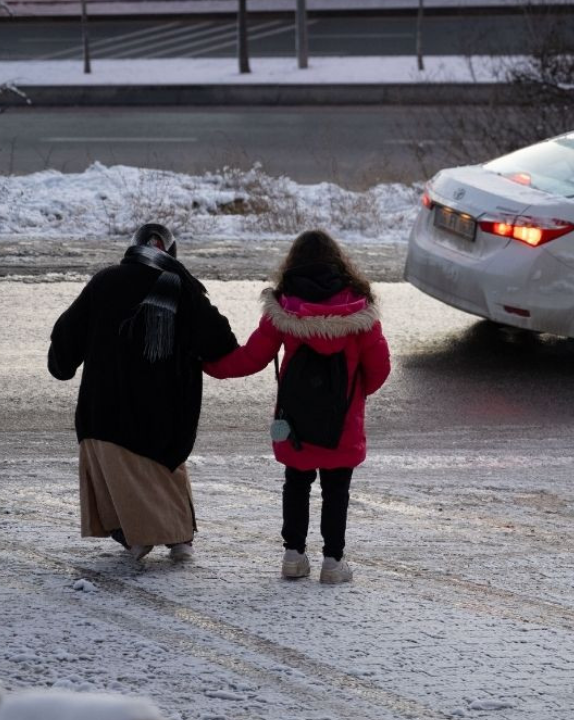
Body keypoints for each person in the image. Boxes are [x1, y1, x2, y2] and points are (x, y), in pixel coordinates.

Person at [205, 229, 391, 584]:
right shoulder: (360, 312)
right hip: (343, 422)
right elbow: (380, 369)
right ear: (340, 264)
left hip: (295, 419)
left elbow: (251, 358)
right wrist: (356, 396)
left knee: (296, 483)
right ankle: (333, 563)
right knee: (337, 490)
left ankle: (293, 556)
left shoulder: (284, 309)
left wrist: (207, 364)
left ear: (294, 263)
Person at [48, 223, 238, 562]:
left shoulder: (105, 282)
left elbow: (65, 339)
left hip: (105, 414)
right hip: (164, 420)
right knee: (165, 471)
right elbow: (220, 343)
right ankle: (178, 540)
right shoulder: (182, 288)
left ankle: (135, 535)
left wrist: (62, 365)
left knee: (118, 473)